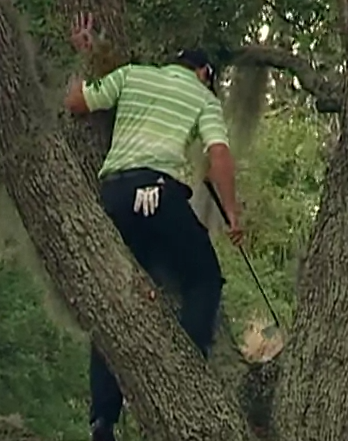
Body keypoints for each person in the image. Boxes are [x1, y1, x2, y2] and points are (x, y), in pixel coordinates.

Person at [64, 12, 242, 441]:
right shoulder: (203, 99)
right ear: (204, 73)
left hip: (117, 197)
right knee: (204, 278)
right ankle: (188, 367)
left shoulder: (134, 75)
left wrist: (84, 55)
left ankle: (103, 419)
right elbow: (218, 157)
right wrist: (233, 214)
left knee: (115, 305)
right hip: (161, 195)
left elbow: (77, 103)